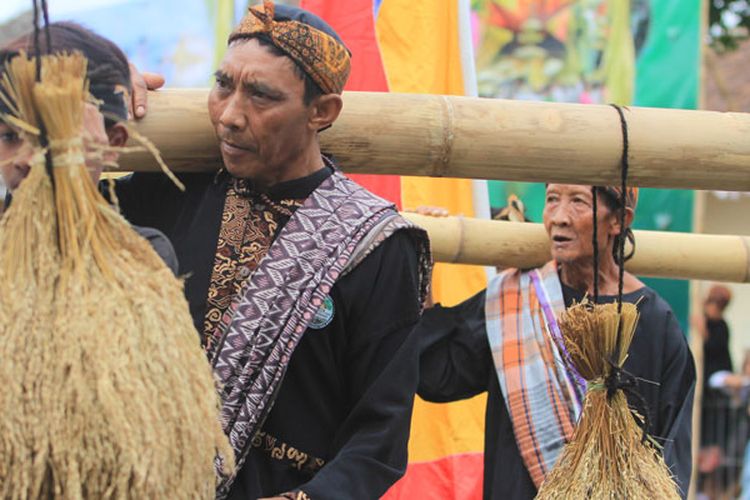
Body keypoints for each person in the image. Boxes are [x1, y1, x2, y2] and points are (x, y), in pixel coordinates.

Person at [110, 2, 430, 499]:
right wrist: (97, 93)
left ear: (321, 113)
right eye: (223, 85)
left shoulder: (376, 246)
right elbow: (46, 218)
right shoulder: (168, 191)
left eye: (260, 95)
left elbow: (378, 438)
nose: (231, 115)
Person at [417, 184, 695, 499]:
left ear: (619, 219)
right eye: (552, 200)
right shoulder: (515, 300)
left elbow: (672, 451)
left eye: (577, 201)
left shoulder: (654, 321)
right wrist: (424, 261)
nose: (559, 217)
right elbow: (437, 375)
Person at [0, 22, 178, 273]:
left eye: (51, 138)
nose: (23, 159)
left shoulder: (138, 255)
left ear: (112, 143)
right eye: (9, 137)